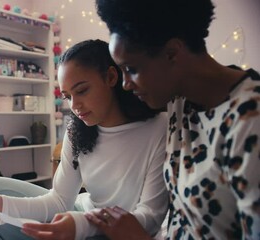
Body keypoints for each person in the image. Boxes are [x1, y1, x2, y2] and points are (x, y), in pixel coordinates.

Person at [87, 0, 260, 239]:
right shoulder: (180, 103)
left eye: (132, 69)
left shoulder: (250, 119)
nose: (125, 84)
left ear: (172, 53)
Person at [0, 39, 169, 240]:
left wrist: (82, 225)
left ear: (111, 77)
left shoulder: (159, 127)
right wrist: (0, 204)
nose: (75, 106)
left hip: (115, 232)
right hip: (80, 212)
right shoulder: (77, 130)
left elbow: (151, 216)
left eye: (81, 91)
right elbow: (60, 201)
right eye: (68, 96)